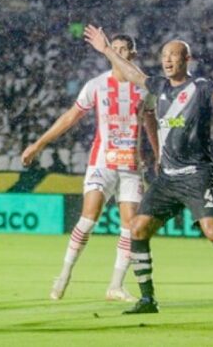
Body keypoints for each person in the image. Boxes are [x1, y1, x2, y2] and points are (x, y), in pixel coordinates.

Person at [84, 25, 213, 314]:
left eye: (174, 55)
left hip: (197, 175)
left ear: (188, 59)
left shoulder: (201, 88)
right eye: (164, 56)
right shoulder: (159, 87)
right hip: (167, 180)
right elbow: (135, 75)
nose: (168, 60)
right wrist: (107, 50)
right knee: (137, 229)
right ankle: (148, 299)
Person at [21, 34, 159, 302]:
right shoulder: (96, 85)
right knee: (88, 218)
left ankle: (115, 285)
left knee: (130, 226)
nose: (117, 53)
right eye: (114, 49)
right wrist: (38, 144)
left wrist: (157, 153)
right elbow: (70, 117)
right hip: (102, 163)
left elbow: (150, 123)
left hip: (131, 166)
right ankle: (64, 274)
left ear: (134, 54)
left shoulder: (144, 88)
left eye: (123, 50)